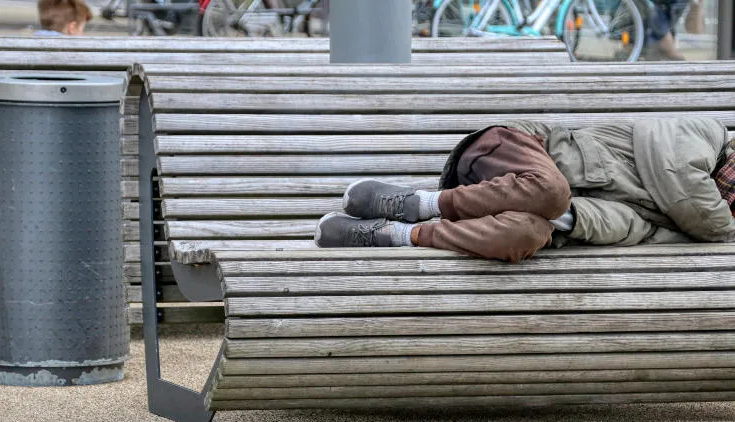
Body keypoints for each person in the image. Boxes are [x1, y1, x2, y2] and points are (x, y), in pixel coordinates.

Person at [315, 119, 735, 263]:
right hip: (512, 152)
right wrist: (720, 229)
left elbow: (620, 226)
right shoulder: (703, 135)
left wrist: (566, 222)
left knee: (529, 235)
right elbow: (683, 185)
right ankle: (419, 204)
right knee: (552, 191)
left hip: (527, 205)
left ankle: (394, 234)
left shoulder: (678, 220)